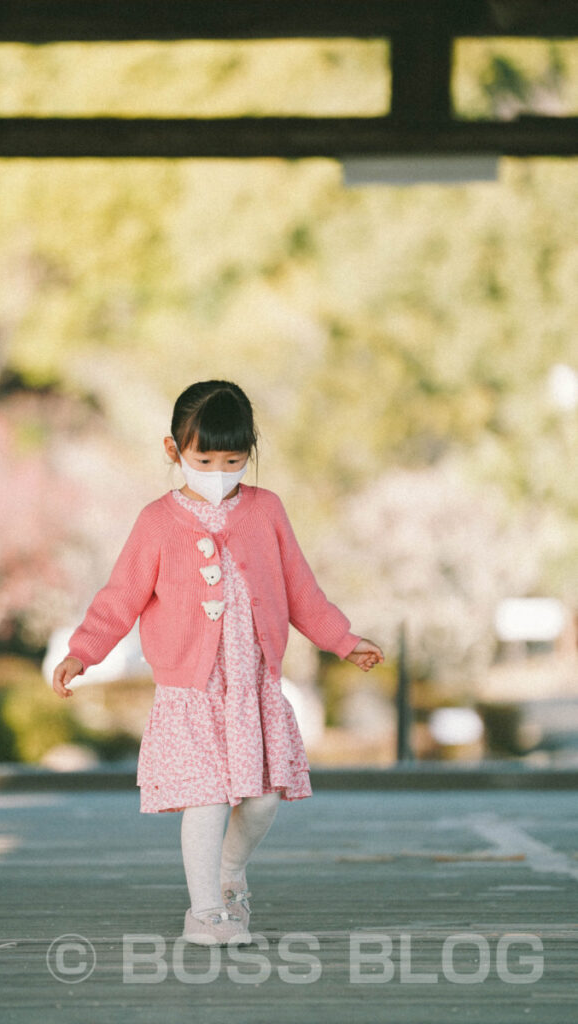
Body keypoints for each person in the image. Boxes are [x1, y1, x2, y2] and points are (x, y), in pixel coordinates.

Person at [52, 379, 384, 947]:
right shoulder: (157, 521)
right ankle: (205, 912)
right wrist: (83, 651)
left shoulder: (267, 510)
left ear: (249, 452)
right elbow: (120, 596)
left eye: (233, 459)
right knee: (205, 800)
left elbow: (301, 589)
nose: (218, 470)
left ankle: (231, 872)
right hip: (191, 691)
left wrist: (343, 640)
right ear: (173, 450)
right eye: (203, 458)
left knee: (259, 803)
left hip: (252, 686)